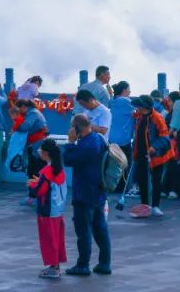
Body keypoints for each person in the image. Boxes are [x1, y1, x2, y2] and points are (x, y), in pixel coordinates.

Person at [62, 114, 112, 276]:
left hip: (84, 193)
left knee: (83, 231)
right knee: (100, 229)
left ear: (77, 127)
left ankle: (83, 265)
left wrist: (70, 142)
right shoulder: (98, 139)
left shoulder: (85, 145)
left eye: (72, 126)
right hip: (98, 191)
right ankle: (104, 263)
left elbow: (68, 160)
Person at [29, 137, 68, 279]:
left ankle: (53, 268)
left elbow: (39, 191)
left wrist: (33, 185)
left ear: (46, 153)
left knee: (49, 239)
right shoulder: (59, 170)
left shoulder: (47, 172)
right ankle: (56, 265)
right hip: (57, 211)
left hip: (47, 210)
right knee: (57, 239)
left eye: (41, 151)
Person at [130, 95, 175, 217]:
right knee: (142, 180)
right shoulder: (139, 116)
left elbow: (164, 138)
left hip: (157, 154)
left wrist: (154, 147)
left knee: (156, 180)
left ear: (145, 107)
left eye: (139, 106)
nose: (137, 108)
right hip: (142, 153)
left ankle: (155, 206)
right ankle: (145, 206)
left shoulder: (157, 118)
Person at [14, 98, 50, 182]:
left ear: (24, 107)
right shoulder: (33, 112)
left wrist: (16, 125)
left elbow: (25, 126)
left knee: (37, 166)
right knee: (34, 166)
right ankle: (35, 183)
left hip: (37, 143)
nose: (19, 112)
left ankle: (37, 184)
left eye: (19, 109)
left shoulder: (33, 113)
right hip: (35, 143)